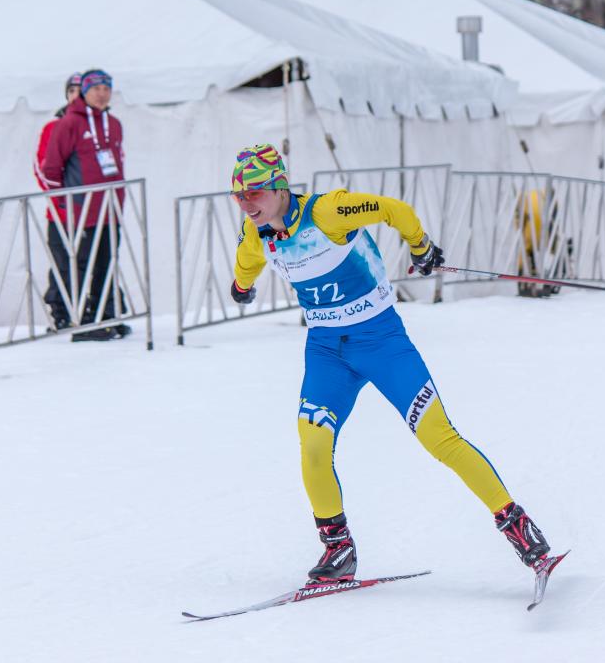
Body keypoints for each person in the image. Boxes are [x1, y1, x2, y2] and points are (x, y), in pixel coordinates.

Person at [228, 143, 560, 587]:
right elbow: (246, 265)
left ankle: (519, 527)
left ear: (280, 186)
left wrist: (421, 247)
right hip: (327, 351)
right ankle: (337, 548)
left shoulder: (329, 211)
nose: (246, 204)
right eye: (238, 196)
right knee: (312, 444)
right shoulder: (258, 233)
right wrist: (240, 288)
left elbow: (394, 209)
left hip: (381, 342)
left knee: (439, 438)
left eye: (254, 193)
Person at [41, 69, 130, 342]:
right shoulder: (67, 124)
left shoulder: (113, 123)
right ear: (84, 92)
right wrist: (63, 203)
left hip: (110, 209)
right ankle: (76, 319)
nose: (102, 93)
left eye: (107, 87)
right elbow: (50, 167)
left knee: (107, 261)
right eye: (96, 88)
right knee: (78, 264)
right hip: (81, 211)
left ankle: (104, 315)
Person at [34, 72, 83, 330]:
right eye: (72, 91)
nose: (77, 95)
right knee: (62, 263)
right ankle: (61, 311)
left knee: (94, 261)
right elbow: (43, 167)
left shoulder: (97, 126)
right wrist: (61, 199)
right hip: (63, 212)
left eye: (80, 90)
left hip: (93, 211)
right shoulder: (53, 128)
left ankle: (94, 309)